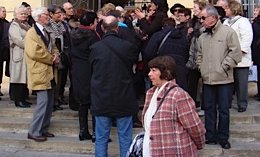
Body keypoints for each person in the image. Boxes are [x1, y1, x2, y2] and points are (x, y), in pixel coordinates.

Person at [90, 16, 138, 157]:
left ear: (103, 28)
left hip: (101, 97)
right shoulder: (127, 46)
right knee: (125, 138)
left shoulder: (95, 48)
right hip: (123, 95)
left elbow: (91, 70)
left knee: (101, 138)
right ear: (117, 28)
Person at [197, 5, 242, 149]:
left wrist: (224, 66)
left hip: (224, 79)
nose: (201, 20)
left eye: (203, 18)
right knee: (209, 109)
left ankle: (223, 137)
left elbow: (236, 53)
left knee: (223, 110)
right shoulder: (202, 36)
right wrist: (202, 68)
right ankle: (210, 136)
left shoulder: (228, 32)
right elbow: (199, 55)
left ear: (213, 18)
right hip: (208, 79)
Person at [142, 56, 205, 156]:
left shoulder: (178, 95)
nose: (149, 74)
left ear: (166, 73)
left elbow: (194, 127)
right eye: (150, 70)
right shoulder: (151, 93)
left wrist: (199, 144)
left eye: (154, 70)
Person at [25, 7, 60, 142]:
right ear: (39, 17)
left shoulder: (46, 31)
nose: (48, 17)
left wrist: (56, 54)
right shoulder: (31, 33)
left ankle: (43, 128)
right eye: (46, 15)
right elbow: (35, 52)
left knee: (49, 102)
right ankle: (34, 131)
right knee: (43, 102)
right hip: (40, 71)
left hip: (49, 72)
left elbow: (53, 46)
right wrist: (51, 58)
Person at [70, 11, 100, 141]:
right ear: (92, 23)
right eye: (96, 21)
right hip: (90, 69)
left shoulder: (73, 35)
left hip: (77, 70)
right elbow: (97, 53)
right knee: (94, 102)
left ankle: (83, 131)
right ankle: (95, 133)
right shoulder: (92, 36)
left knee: (82, 102)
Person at [224, 0, 253, 112]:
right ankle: (228, 102)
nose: (225, 10)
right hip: (228, 56)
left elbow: (246, 38)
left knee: (241, 83)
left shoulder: (243, 21)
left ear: (233, 9)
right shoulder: (226, 22)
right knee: (229, 82)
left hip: (241, 57)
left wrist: (240, 51)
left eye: (227, 8)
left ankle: (242, 103)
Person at [145, 18, 189, 91]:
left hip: (162, 69)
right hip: (180, 71)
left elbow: (149, 52)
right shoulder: (183, 37)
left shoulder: (158, 35)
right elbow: (186, 55)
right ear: (175, 26)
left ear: (163, 27)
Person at [186, 0, 209, 110]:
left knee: (206, 84)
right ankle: (192, 105)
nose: (193, 9)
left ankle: (206, 106)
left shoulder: (206, 23)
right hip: (193, 57)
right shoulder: (193, 22)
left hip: (203, 57)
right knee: (192, 83)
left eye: (195, 7)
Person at [9, 6, 31, 108]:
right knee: (18, 78)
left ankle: (23, 98)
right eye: (21, 14)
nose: (23, 15)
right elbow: (18, 40)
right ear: (16, 15)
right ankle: (18, 100)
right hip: (18, 55)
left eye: (25, 14)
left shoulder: (26, 25)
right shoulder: (14, 26)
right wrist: (30, 43)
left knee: (24, 78)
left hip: (25, 54)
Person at [45, 4, 66, 112]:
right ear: (51, 14)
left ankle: (56, 99)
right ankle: (51, 102)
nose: (60, 15)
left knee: (59, 79)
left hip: (60, 54)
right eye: (57, 13)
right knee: (53, 80)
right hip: (51, 56)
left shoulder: (61, 25)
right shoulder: (47, 26)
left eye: (60, 13)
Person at [251, 6, 260, 101]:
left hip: (259, 50)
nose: (255, 12)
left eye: (256, 11)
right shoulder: (256, 22)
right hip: (257, 50)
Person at [0, 6, 9, 96]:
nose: (4, 13)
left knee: (0, 70)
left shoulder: (6, 23)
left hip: (4, 50)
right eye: (3, 11)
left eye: (5, 11)